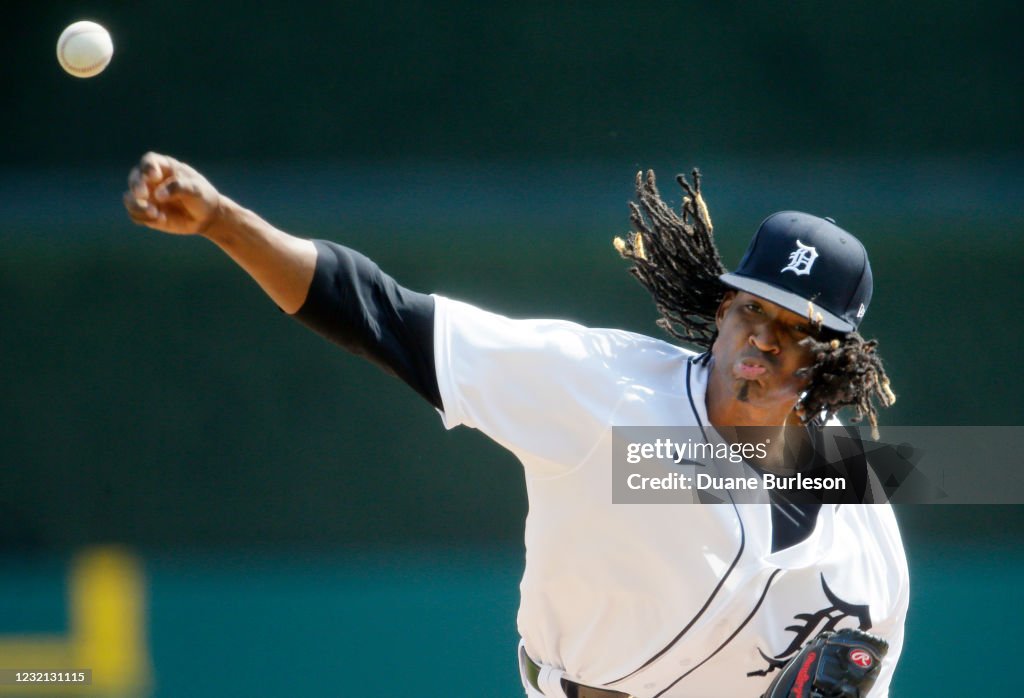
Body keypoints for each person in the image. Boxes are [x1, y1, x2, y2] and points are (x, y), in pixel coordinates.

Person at [123, 153, 909, 697]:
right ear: (721, 310)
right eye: (751, 309)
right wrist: (224, 222)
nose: (762, 339)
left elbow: (867, 655)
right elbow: (384, 315)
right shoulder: (605, 392)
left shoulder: (854, 501)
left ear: (836, 359)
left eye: (798, 327)